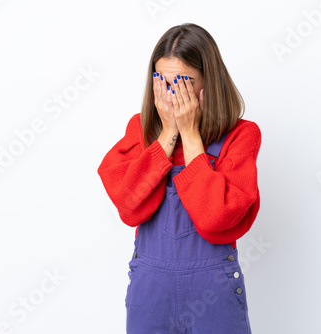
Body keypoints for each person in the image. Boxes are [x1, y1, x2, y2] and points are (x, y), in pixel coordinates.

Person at [98, 23, 261, 334]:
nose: (172, 95)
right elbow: (129, 207)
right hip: (151, 291)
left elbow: (216, 219)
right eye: (163, 81)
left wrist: (190, 134)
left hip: (213, 289)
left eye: (184, 83)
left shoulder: (241, 135)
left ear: (208, 84)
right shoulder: (142, 129)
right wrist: (169, 133)